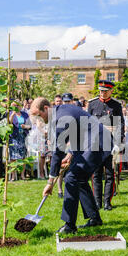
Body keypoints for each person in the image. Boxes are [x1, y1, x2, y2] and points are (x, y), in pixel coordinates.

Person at [30, 97, 110, 234]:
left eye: (39, 116)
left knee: (72, 177)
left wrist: (50, 182)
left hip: (97, 143)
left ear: (45, 109)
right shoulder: (62, 111)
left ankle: (69, 225)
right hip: (90, 142)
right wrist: (71, 154)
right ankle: (94, 218)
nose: (39, 120)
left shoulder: (59, 119)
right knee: (79, 178)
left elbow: (57, 151)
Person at [88, 80, 125, 211]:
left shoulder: (116, 105)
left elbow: (120, 124)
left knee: (110, 174)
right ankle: (97, 202)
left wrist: (118, 143)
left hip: (110, 144)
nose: (102, 93)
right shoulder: (92, 104)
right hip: (96, 145)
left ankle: (107, 202)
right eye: (101, 91)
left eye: (105, 91)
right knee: (96, 175)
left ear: (111, 91)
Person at [9, 101, 31, 181]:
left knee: (23, 157)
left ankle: (22, 175)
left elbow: (30, 125)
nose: (16, 107)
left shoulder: (25, 114)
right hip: (14, 137)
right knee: (13, 157)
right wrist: (13, 114)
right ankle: (13, 176)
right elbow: (9, 123)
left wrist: (25, 126)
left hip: (23, 137)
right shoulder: (10, 113)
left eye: (17, 105)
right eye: (14, 105)